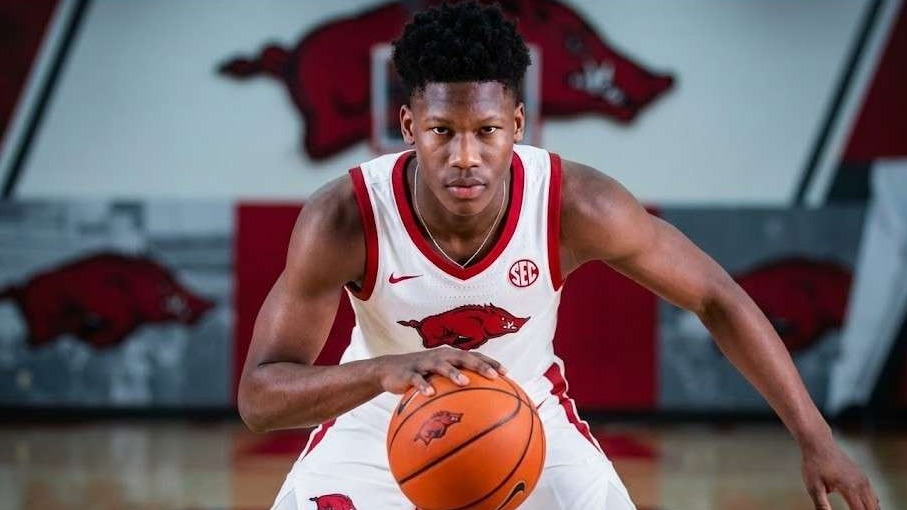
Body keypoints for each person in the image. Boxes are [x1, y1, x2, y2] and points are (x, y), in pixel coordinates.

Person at [238, 2, 879, 509]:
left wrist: (816, 438)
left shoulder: (578, 205)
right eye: (442, 132)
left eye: (486, 131)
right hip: (379, 421)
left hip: (527, 421)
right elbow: (260, 397)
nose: (466, 156)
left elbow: (716, 296)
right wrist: (386, 371)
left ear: (519, 122)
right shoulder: (346, 217)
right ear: (408, 125)